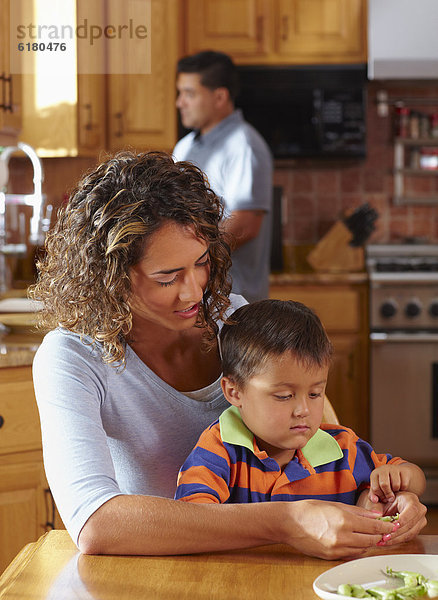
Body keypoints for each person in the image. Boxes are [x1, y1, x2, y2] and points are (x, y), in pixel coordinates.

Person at [30, 151, 425, 561]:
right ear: (108, 277)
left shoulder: (236, 321)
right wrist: (285, 521)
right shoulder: (72, 358)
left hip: (269, 562)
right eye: (167, 277)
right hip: (155, 575)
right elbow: (95, 524)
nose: (193, 292)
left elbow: (324, 448)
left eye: (201, 263)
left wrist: (379, 499)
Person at [175, 299, 426, 543]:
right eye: (284, 396)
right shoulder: (219, 451)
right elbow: (193, 519)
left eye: (315, 393)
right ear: (234, 392)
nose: (303, 410)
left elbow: (415, 479)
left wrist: (399, 483)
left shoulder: (344, 448)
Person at [173, 50, 273, 304]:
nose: (179, 102)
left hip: (234, 301)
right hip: (195, 296)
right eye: (180, 92)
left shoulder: (244, 146)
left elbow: (246, 224)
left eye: (189, 93)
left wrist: (186, 259)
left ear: (219, 96)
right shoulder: (184, 147)